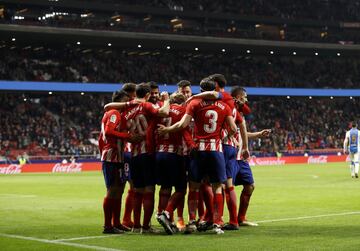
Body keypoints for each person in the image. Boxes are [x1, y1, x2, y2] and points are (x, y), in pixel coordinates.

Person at [157, 77, 237, 234]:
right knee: (217, 188)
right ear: (214, 89)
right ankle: (216, 224)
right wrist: (221, 137)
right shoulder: (224, 105)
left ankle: (192, 222)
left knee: (193, 187)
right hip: (216, 151)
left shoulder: (194, 104)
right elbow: (234, 129)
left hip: (197, 150)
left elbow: (182, 125)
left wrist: (167, 130)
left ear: (200, 90)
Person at [122, 83, 170, 233]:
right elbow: (163, 112)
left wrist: (132, 138)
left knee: (137, 191)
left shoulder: (128, 111)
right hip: (147, 153)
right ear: (148, 95)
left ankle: (136, 226)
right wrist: (167, 99)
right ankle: (146, 227)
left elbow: (126, 134)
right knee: (149, 190)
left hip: (134, 155)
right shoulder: (147, 106)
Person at [98, 90, 141, 234]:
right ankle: (107, 225)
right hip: (112, 157)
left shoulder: (117, 114)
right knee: (112, 191)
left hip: (119, 157)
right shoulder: (113, 113)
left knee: (119, 190)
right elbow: (109, 132)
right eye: (126, 101)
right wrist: (127, 136)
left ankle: (116, 223)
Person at [155, 92, 190, 234]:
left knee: (165, 187)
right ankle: (167, 213)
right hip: (175, 154)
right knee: (181, 189)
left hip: (159, 153)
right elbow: (185, 131)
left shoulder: (162, 110)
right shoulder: (183, 111)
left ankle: (160, 214)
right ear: (183, 102)